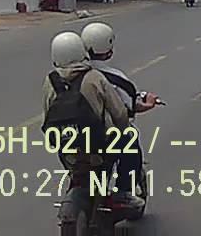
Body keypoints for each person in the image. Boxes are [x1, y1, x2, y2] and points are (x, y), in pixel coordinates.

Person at [43, 31, 145, 210]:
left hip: (65, 143)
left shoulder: (50, 81)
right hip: (98, 142)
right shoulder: (95, 77)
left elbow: (47, 112)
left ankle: (77, 183)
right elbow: (119, 113)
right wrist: (124, 129)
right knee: (130, 139)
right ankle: (123, 192)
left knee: (72, 164)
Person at [82, 22, 160, 206]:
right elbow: (127, 109)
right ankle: (124, 190)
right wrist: (148, 104)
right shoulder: (113, 78)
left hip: (71, 136)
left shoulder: (64, 76)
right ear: (109, 48)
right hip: (102, 136)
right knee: (130, 140)